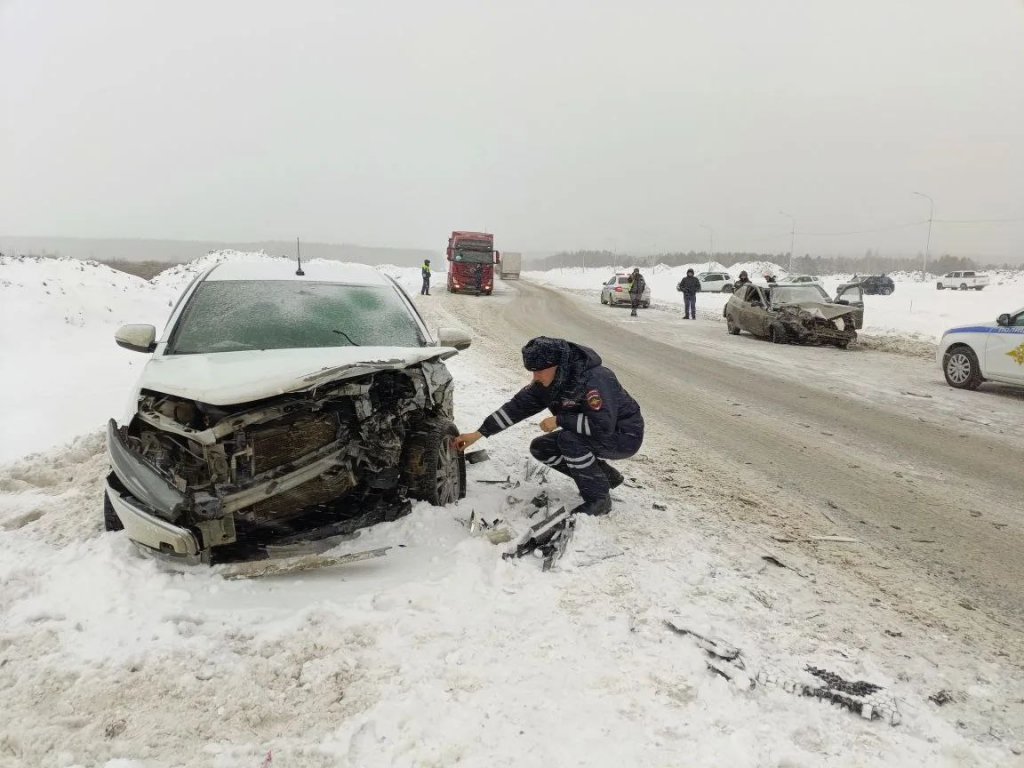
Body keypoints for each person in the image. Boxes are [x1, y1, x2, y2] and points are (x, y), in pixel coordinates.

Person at [454, 336, 644, 517]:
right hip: (592, 432)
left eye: (539, 371)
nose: (535, 377)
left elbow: (603, 426)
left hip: (623, 435)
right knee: (541, 448)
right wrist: (479, 433)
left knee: (569, 440)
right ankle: (604, 477)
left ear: (558, 365)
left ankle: (599, 499)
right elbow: (516, 408)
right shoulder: (549, 382)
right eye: (532, 371)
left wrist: (560, 420)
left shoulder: (595, 379)